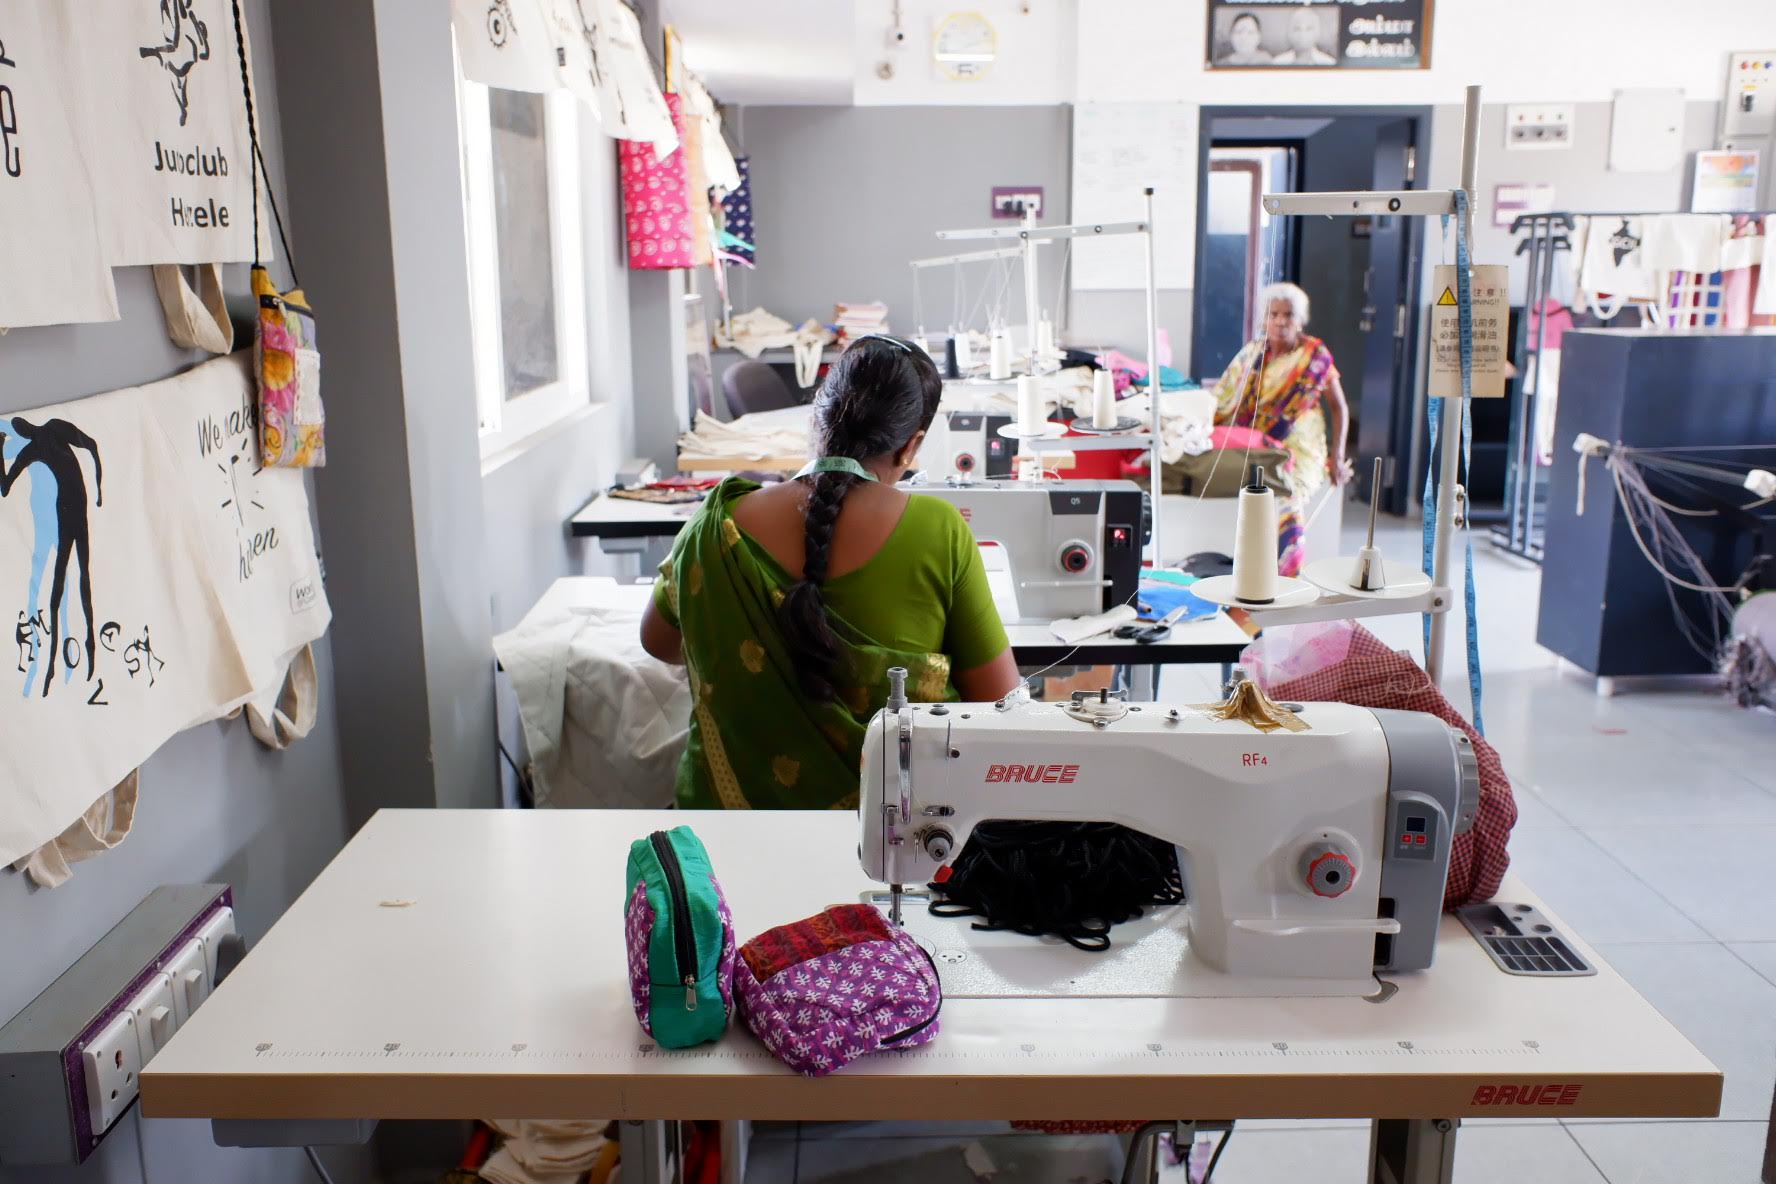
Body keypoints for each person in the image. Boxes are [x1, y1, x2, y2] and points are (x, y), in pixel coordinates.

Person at [640, 335, 1022, 810]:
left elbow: (660, 642)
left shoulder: (715, 524)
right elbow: (1001, 704)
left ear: (815, 416)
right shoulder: (938, 530)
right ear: (911, 446)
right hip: (890, 841)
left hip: (725, 846)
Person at [1210, 282, 1351, 576]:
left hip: (1300, 440)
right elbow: (1223, 396)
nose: (1280, 321)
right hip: (1255, 437)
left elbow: (1339, 407)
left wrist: (1336, 456)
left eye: (1288, 314)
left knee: (1288, 487)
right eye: (1273, 314)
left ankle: (1286, 562)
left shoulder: (1315, 355)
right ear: (1265, 318)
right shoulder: (1253, 352)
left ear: (1300, 320)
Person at [1272, 7, 1337, 65]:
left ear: (1317, 32)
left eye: (1308, 29)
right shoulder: (1277, 62)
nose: (1302, 34)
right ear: (1289, 33)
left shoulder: (1329, 62)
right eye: (1297, 28)